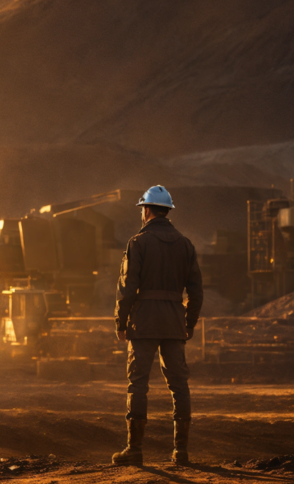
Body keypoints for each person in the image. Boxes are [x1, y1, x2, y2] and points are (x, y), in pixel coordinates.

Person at [111, 185, 203, 466]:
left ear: (147, 210)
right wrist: (188, 324)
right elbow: (196, 291)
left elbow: (128, 287)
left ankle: (134, 450)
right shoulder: (186, 244)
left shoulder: (138, 243)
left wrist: (121, 321)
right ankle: (182, 452)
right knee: (179, 385)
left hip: (144, 323)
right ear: (167, 211)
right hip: (174, 322)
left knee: (138, 384)